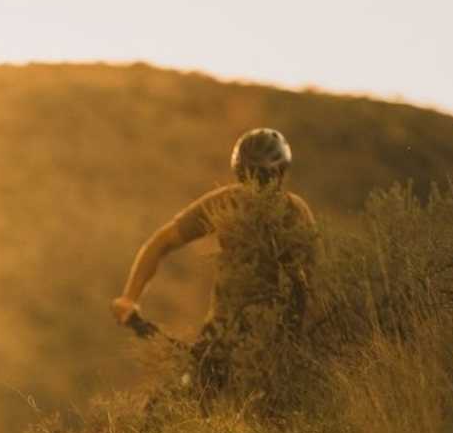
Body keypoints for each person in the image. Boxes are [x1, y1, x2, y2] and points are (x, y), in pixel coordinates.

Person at [111, 128, 317, 406]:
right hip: (225, 344)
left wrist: (129, 300)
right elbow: (161, 243)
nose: (256, 187)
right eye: (251, 178)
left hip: (266, 347)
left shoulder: (289, 213)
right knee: (173, 411)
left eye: (262, 177)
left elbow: (312, 284)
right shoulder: (232, 203)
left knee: (180, 412)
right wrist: (129, 298)